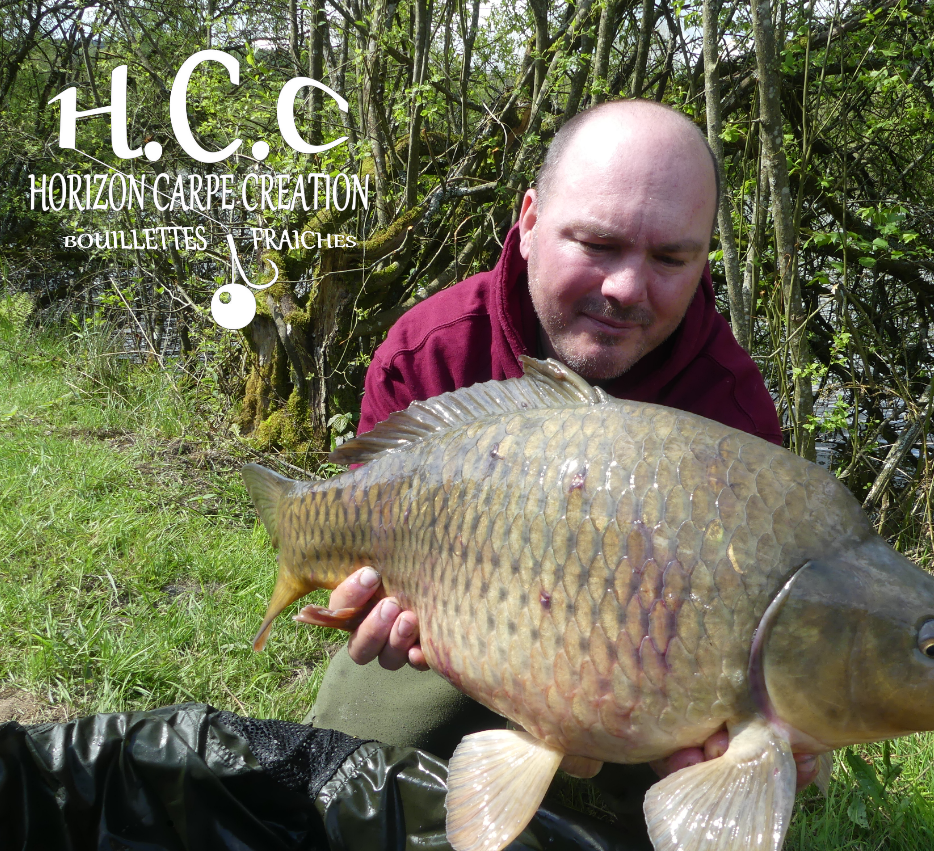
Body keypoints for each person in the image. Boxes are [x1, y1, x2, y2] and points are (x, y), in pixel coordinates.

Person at [300, 98, 820, 813]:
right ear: (529, 220)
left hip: (645, 679)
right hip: (453, 646)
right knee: (362, 731)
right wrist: (365, 602)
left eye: (671, 257)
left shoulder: (727, 405)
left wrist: (757, 734)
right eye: (597, 244)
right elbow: (368, 556)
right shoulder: (431, 349)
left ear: (704, 254)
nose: (626, 288)